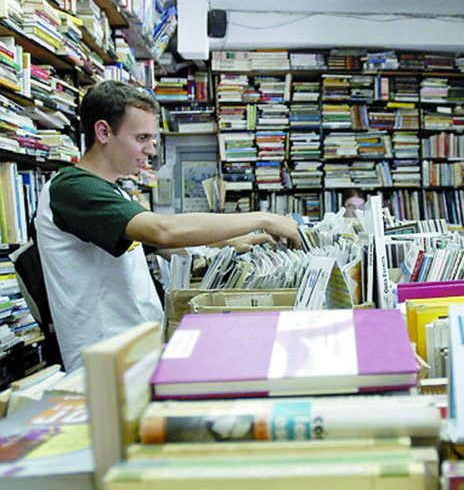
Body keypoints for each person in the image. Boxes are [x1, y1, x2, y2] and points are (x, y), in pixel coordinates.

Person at [36, 81, 300, 370]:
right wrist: (264, 218)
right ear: (103, 132)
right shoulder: (72, 188)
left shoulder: (116, 192)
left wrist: (231, 242)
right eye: (141, 138)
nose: (150, 149)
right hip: (105, 361)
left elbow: (155, 243)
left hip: (136, 348)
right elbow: (163, 230)